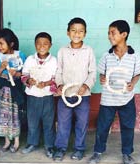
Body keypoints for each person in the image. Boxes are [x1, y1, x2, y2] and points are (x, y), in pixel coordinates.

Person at [88, 20, 140, 164]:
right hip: (108, 98)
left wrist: (132, 83)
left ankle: (127, 153)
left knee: (128, 126)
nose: (109, 36)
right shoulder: (107, 55)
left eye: (112, 33)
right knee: (102, 127)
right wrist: (102, 78)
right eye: (108, 33)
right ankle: (98, 152)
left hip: (127, 98)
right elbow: (102, 73)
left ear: (124, 34)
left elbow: (138, 73)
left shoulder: (134, 56)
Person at [53, 17, 96, 161]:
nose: (77, 34)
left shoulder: (89, 51)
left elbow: (92, 72)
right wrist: (59, 85)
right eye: (73, 30)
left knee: (81, 123)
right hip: (65, 94)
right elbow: (58, 71)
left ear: (85, 33)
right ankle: (60, 148)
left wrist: (86, 86)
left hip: (83, 95)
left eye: (80, 31)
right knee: (63, 122)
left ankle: (79, 149)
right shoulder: (62, 51)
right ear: (67, 33)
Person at [21, 32, 57, 158]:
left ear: (50, 45)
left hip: (47, 97)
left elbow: (57, 78)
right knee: (32, 121)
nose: (42, 46)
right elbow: (24, 75)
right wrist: (28, 80)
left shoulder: (54, 61)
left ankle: (49, 146)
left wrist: (47, 83)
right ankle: (32, 143)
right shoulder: (30, 60)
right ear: (35, 45)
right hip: (32, 96)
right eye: (39, 43)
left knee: (49, 122)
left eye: (45, 44)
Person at [0, 28, 26, 153]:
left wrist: (16, 73)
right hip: (2, 90)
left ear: (11, 43)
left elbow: (25, 74)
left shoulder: (20, 55)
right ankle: (7, 141)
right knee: (4, 115)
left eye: (1, 43)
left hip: (15, 89)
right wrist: (1, 69)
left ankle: (16, 141)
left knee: (15, 114)